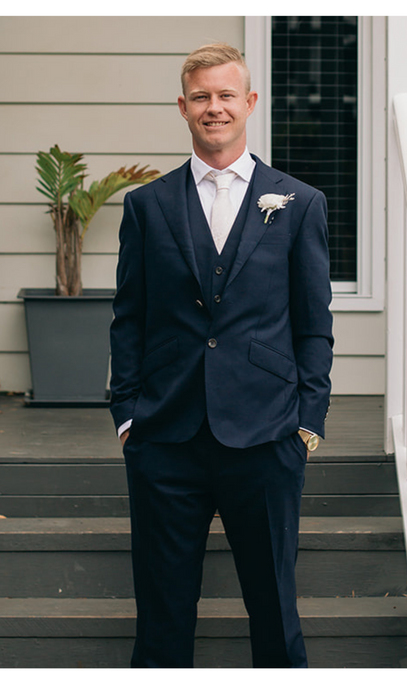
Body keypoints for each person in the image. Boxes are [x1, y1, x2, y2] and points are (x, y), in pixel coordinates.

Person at [109, 42, 333, 668]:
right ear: (183, 107)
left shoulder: (298, 203)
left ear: (249, 103)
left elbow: (314, 326)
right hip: (165, 436)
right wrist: (127, 417)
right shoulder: (147, 206)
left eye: (226, 95)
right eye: (201, 97)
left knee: (274, 611)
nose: (215, 108)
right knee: (161, 614)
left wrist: (307, 424)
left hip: (265, 436)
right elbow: (130, 317)